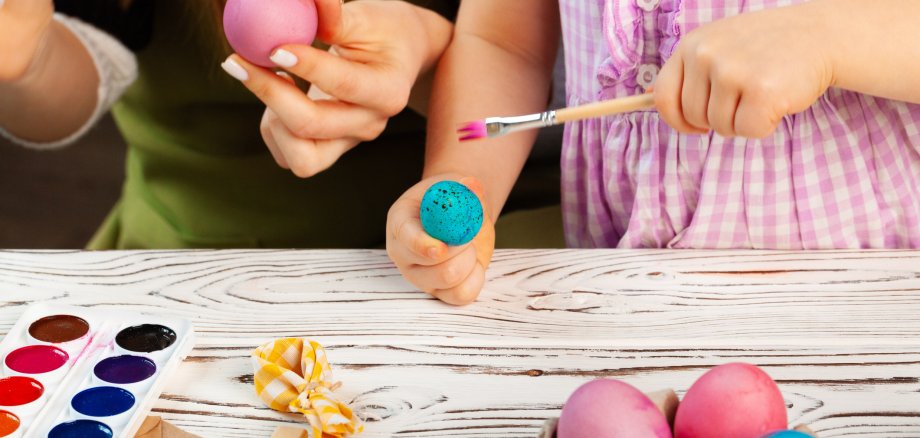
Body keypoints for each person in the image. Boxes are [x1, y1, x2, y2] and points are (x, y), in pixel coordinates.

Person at [386, 0, 920, 304]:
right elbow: (505, 42)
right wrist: (463, 178)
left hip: (863, 293)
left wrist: (827, 35)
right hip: (618, 290)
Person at [0, 0, 562, 249]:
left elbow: (574, 70)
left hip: (492, 229)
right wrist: (27, 60)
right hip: (204, 247)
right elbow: (88, 54)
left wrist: (429, 61)